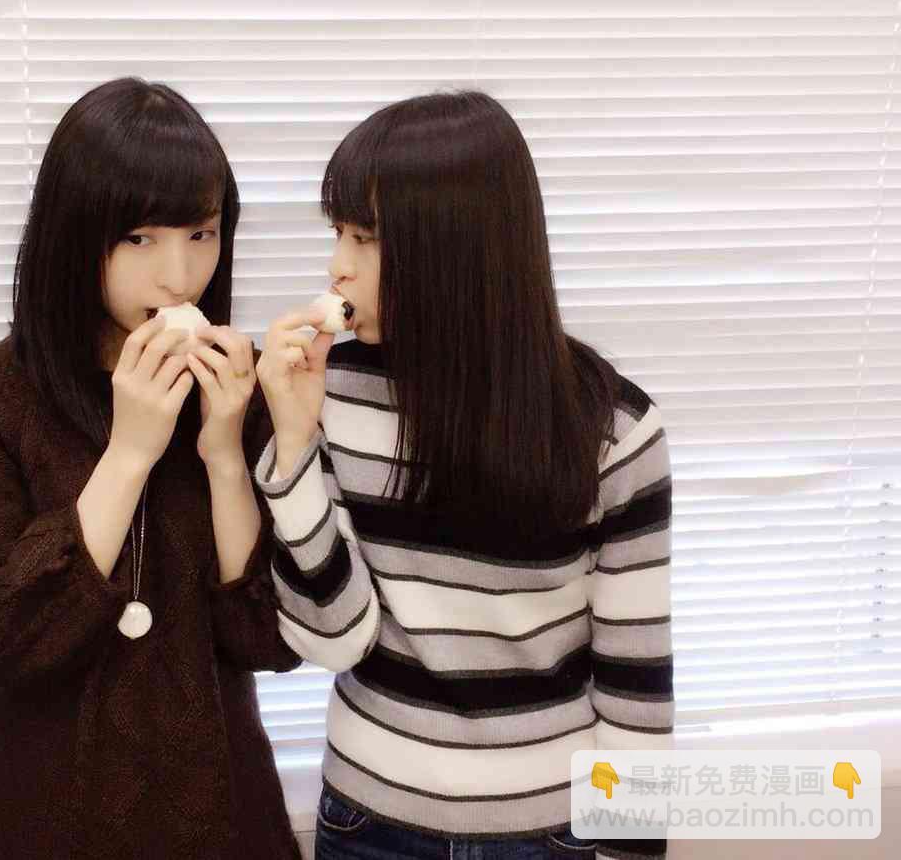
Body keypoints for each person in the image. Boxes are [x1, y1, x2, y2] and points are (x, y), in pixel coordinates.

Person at [252, 90, 675, 860]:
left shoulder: (614, 428)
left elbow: (634, 687)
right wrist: (292, 445)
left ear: (453, 246)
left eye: (365, 238)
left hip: (548, 833)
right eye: (338, 232)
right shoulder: (329, 391)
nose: (337, 266)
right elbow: (332, 638)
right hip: (369, 823)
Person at [0, 76, 304, 860]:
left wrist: (225, 454)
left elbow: (270, 637)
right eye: (140, 238)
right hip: (35, 823)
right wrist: (128, 453)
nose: (179, 275)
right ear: (74, 236)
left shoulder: (238, 385)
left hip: (220, 823)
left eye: (201, 233)